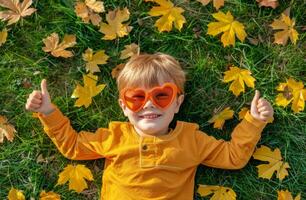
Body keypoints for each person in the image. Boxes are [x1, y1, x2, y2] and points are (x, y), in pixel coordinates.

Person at [25, 53, 274, 200]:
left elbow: (233, 157)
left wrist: (254, 121)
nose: (149, 105)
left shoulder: (193, 140)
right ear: (124, 106)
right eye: (137, 98)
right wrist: (48, 112)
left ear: (178, 103)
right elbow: (74, 147)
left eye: (161, 96)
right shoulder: (115, 137)